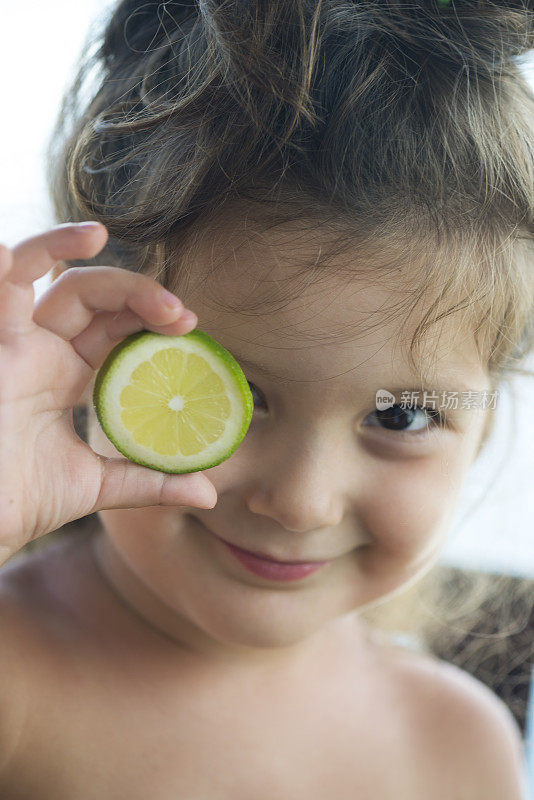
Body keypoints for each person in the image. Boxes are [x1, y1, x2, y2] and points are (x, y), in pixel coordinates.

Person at [0, 0, 533, 796]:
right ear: (100, 356)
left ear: (481, 429)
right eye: (239, 392)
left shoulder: (454, 744)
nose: (301, 502)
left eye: (400, 415)